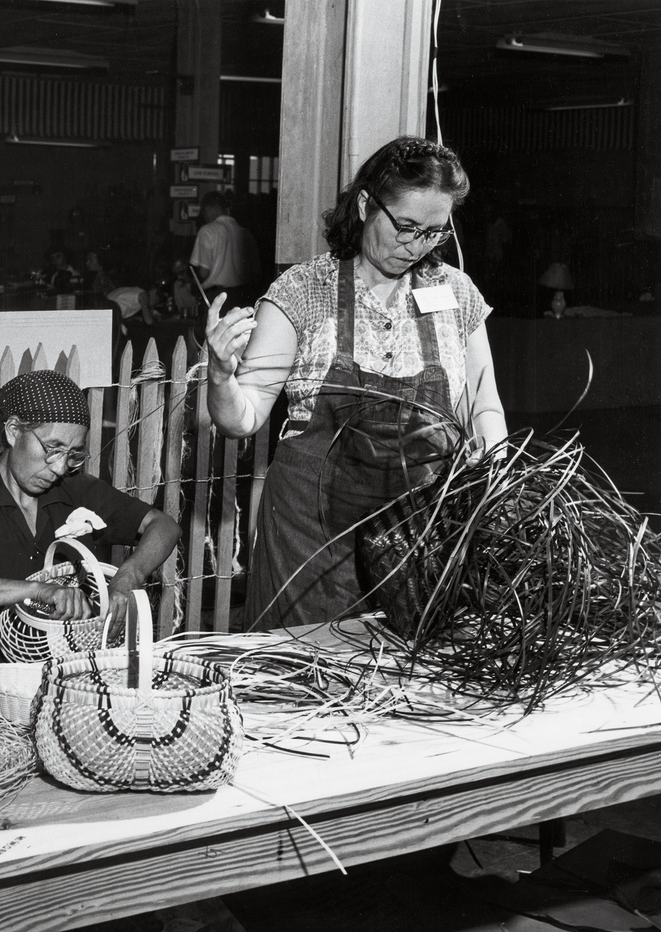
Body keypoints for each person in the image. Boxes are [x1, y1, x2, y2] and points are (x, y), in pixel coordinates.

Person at [205, 136, 508, 631]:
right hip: (313, 539)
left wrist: (497, 478)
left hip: (421, 531)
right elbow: (244, 417)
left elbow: (484, 406)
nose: (416, 246)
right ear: (367, 204)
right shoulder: (304, 291)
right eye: (406, 227)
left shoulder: (455, 293)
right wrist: (221, 376)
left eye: (434, 233)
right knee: (308, 677)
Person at [0, 370, 182, 672]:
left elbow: (163, 526)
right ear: (14, 431)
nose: (61, 467)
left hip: (72, 657)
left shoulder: (76, 490)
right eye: (52, 449)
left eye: (73, 453)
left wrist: (129, 575)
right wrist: (37, 590)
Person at [189, 190, 262, 313]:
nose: (204, 216)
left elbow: (203, 273)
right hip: (243, 299)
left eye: (204, 211)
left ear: (213, 207)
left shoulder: (207, 230)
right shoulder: (245, 233)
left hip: (216, 299)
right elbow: (256, 272)